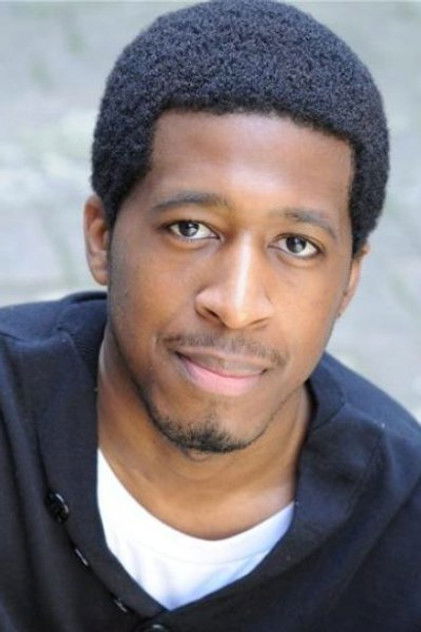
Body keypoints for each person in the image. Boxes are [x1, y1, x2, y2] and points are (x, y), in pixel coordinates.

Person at [1, 0, 420, 630]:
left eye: (297, 244)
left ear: (349, 281)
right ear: (101, 236)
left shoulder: (404, 527)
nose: (236, 305)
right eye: (190, 228)